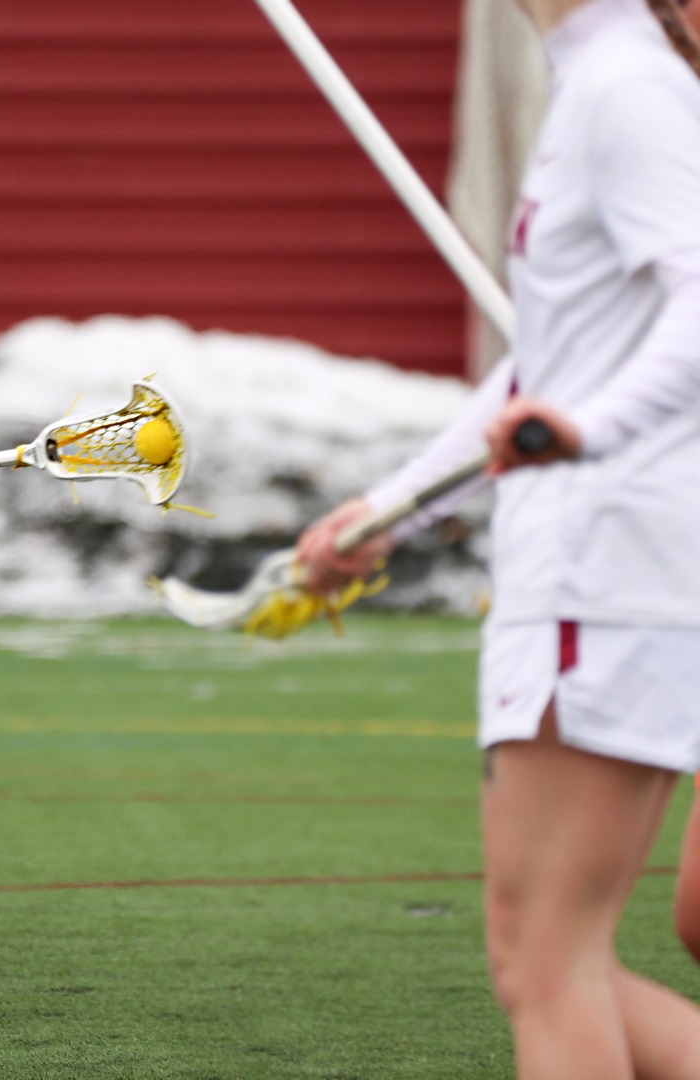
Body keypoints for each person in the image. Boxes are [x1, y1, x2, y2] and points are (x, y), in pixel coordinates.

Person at [296, 0, 700, 1075]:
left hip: (606, 568)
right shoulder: (599, 79)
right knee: (548, 963)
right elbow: (546, 366)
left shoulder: (628, 86)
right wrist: (394, 508)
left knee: (552, 968)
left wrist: (591, 427)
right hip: (584, 567)